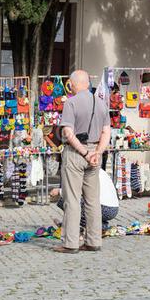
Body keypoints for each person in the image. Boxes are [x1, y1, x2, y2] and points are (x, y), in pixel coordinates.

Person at [54, 70, 111, 253]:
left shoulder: (71, 103)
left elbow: (68, 134)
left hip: (77, 154)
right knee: (93, 200)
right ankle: (94, 241)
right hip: (95, 153)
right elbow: (106, 132)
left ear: (72, 84)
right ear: (88, 83)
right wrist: (97, 152)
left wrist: (85, 152)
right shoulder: (101, 103)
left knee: (71, 199)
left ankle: (70, 243)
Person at [51, 168, 119, 230]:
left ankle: (92, 227)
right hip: (113, 208)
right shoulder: (97, 170)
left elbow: (76, 190)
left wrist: (59, 191)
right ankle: (101, 225)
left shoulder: (86, 172)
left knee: (65, 200)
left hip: (104, 208)